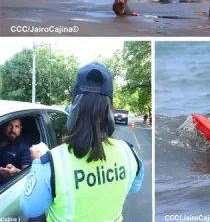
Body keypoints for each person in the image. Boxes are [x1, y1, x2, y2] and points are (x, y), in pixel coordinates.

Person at [20, 63, 145, 220]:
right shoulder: (129, 153)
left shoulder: (52, 163)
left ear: (73, 111)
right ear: (109, 114)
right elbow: (134, 187)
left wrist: (38, 163)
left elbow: (29, 208)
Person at [0, 119, 30, 186]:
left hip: (8, 185)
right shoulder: (2, 138)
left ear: (20, 128)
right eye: (9, 126)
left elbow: (27, 172)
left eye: (16, 126)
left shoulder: (24, 146)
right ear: (5, 126)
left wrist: (14, 171)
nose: (13, 130)